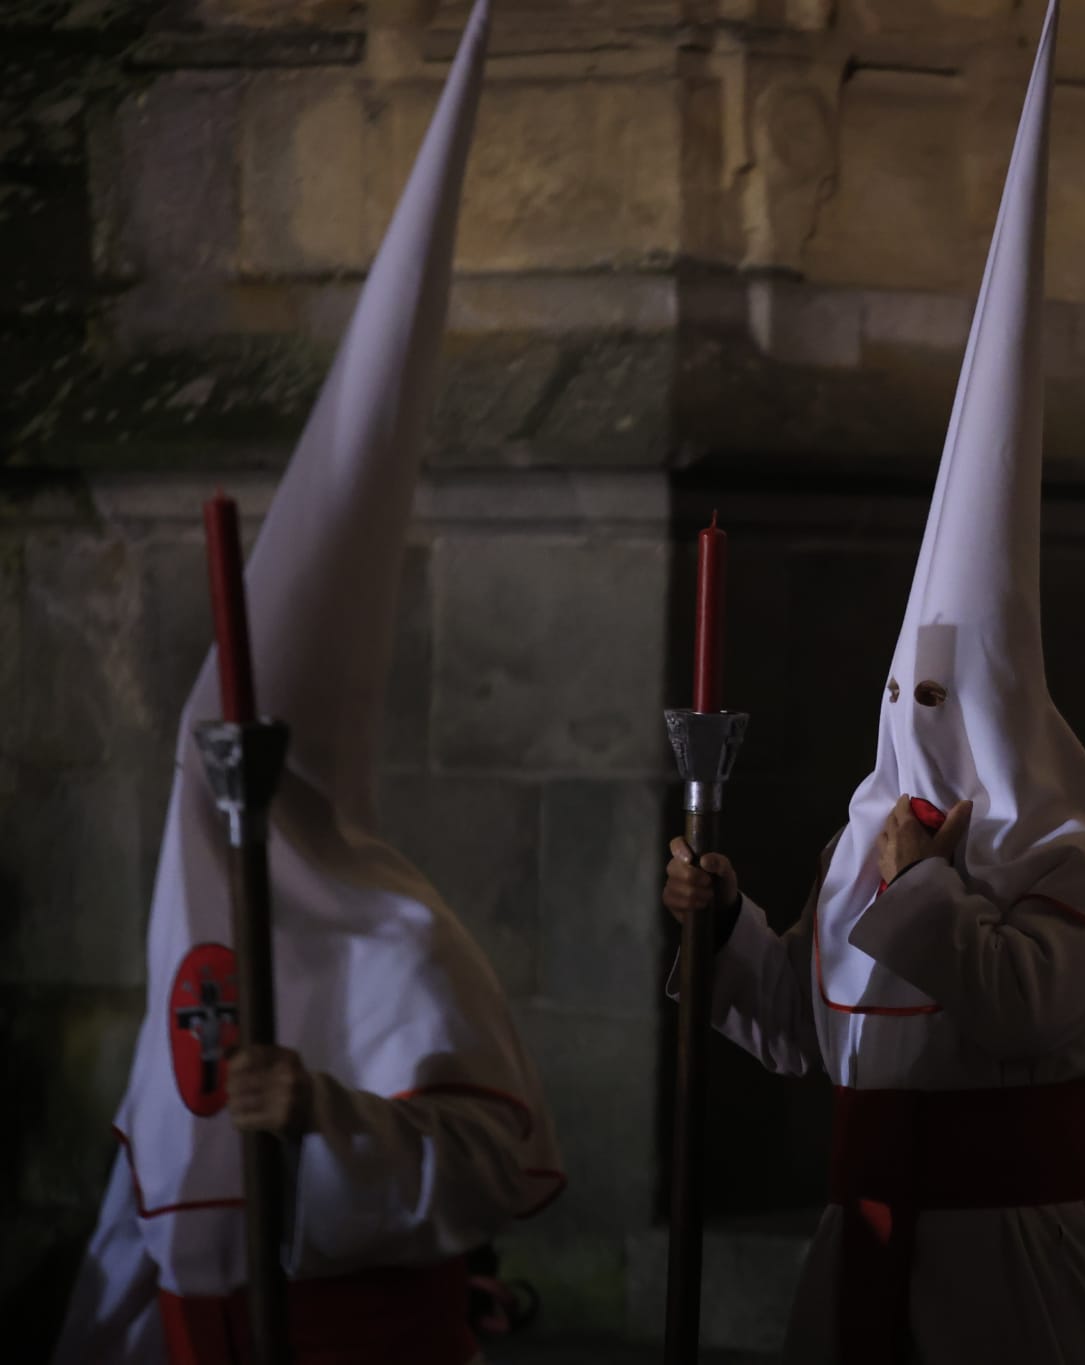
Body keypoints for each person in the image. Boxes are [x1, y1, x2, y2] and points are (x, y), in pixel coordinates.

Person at [53, 7, 563, 1362]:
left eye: (225, 769)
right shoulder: (193, 945)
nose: (203, 806)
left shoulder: (401, 941)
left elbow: (489, 1167)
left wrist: (333, 1111)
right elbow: (148, 1199)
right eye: (196, 766)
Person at [663, 6, 1085, 1361]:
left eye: (938, 710)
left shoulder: (1072, 860)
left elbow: (1007, 1004)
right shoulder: (871, 839)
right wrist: (728, 938)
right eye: (901, 705)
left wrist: (917, 878)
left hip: (1013, 1262)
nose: (912, 734)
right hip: (868, 1223)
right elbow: (812, 1031)